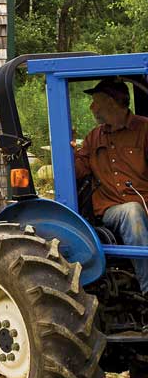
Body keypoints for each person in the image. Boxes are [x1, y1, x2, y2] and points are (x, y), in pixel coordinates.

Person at [75, 77, 148, 294]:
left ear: (112, 102)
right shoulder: (93, 137)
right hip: (112, 209)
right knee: (131, 211)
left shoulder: (144, 129)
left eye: (96, 101)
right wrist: (67, 151)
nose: (91, 107)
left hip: (145, 203)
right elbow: (79, 170)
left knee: (135, 209)